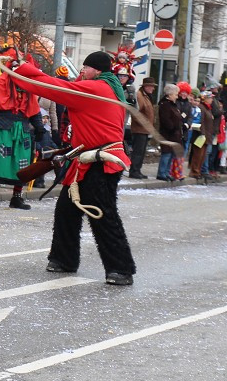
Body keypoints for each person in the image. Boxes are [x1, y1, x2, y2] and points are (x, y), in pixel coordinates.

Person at [7, 51, 136, 286]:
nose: (81, 72)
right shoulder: (106, 87)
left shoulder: (96, 88)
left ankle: (121, 268)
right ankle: (63, 259)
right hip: (85, 159)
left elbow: (51, 86)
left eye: (84, 68)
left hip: (100, 161)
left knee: (103, 214)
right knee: (66, 210)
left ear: (96, 70)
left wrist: (24, 70)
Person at [0, 49, 45, 210]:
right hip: (2, 129)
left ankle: (16, 197)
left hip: (22, 130)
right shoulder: (1, 83)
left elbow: (34, 109)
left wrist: (39, 126)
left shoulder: (28, 86)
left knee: (22, 165)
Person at [128, 77, 156, 179]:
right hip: (139, 129)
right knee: (138, 152)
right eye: (151, 86)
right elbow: (135, 112)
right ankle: (134, 171)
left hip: (144, 130)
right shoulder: (140, 96)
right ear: (145, 86)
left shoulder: (146, 96)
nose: (153, 88)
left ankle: (137, 170)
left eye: (153, 86)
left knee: (141, 152)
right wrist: (144, 123)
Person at [156, 84, 183, 181]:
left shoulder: (173, 105)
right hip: (167, 134)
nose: (177, 96)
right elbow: (165, 119)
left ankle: (166, 173)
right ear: (170, 94)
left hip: (174, 134)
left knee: (171, 154)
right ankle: (161, 173)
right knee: (166, 153)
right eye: (175, 94)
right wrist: (173, 127)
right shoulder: (165, 105)